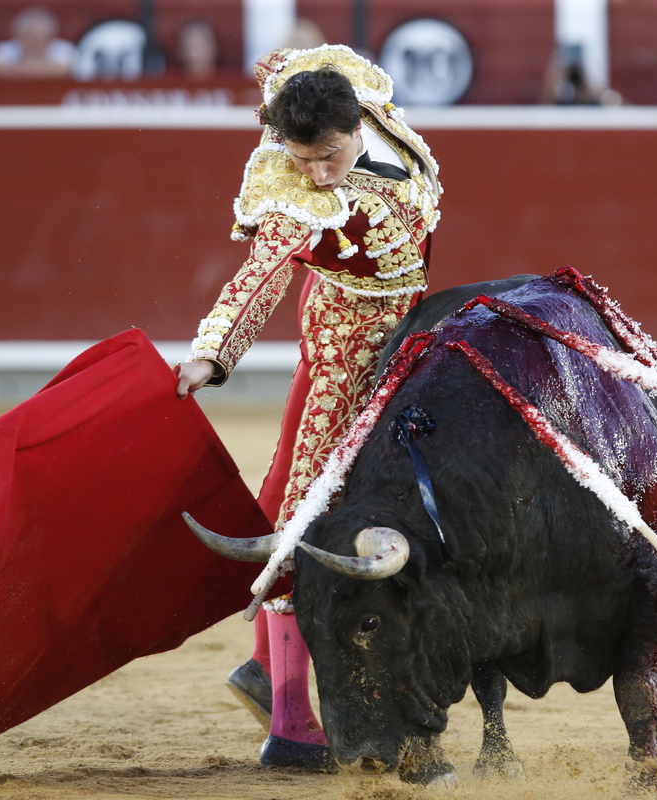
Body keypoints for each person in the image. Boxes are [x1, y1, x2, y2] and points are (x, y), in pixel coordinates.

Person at [175, 44, 441, 771]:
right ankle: (291, 721)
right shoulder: (302, 199)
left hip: (401, 321)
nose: (320, 174)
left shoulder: (350, 91)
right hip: (348, 346)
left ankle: (262, 668)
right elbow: (259, 274)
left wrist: (279, 55)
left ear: (357, 121)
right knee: (308, 510)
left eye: (329, 154)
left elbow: (283, 66)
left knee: (291, 479)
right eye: (303, 159)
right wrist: (212, 353)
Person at [0, 6, 76, 79]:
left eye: (41, 37)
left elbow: (69, 68)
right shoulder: (8, 48)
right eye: (31, 37)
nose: (36, 42)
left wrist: (16, 70)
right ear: (20, 37)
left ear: (51, 37)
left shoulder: (64, 49)